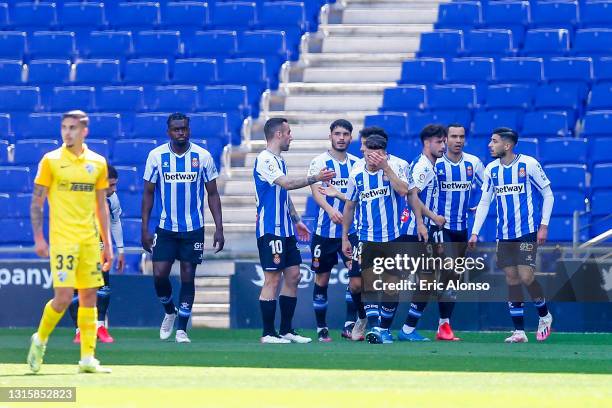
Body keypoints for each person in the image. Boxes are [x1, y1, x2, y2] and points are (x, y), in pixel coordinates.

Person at [27, 110, 113, 374]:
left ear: (84, 131)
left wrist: (107, 244)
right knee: (63, 298)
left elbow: (101, 206)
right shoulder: (51, 161)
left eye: (73, 128)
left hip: (89, 240)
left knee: (89, 297)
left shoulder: (98, 163)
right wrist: (39, 238)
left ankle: (87, 358)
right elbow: (37, 202)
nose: (67, 132)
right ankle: (39, 340)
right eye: (64, 127)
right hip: (63, 240)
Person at [141, 113, 224, 344]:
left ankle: (182, 329)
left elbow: (213, 193)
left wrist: (219, 228)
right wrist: (144, 229)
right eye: (177, 129)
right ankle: (170, 310)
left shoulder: (202, 156)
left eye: (184, 129)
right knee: (159, 275)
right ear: (169, 131)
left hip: (193, 228)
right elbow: (148, 194)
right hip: (166, 228)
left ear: (189, 129)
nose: (181, 133)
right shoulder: (156, 156)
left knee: (188, 277)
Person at [469, 127, 554, 343]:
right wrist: (475, 232)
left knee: (526, 277)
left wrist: (543, 226)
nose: (490, 144)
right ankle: (519, 332)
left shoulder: (529, 164)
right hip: (504, 234)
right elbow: (485, 201)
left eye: (494, 141)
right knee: (512, 279)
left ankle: (544, 315)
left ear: (507, 145)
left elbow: (548, 194)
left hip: (526, 231)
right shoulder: (491, 169)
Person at [254, 117, 335, 344]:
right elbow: (287, 184)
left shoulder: (279, 161)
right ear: (278, 134)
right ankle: (268, 333)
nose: (291, 136)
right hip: (270, 229)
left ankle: (286, 330)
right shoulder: (265, 159)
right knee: (272, 279)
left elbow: (283, 194)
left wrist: (296, 218)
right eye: (288, 132)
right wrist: (316, 178)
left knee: (294, 276)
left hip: (286, 229)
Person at [342, 132, 409, 344]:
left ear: (383, 154)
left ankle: (385, 329)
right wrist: (345, 236)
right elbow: (350, 205)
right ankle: (374, 328)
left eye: (376, 156)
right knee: (366, 284)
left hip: (393, 237)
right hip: (365, 237)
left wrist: (386, 168)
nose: (371, 160)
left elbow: (404, 191)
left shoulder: (394, 168)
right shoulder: (357, 174)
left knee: (391, 286)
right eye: (368, 156)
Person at [430, 123, 484, 341]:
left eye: (461, 136)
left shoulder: (473, 163)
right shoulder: (436, 163)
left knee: (453, 278)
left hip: (462, 228)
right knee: (447, 269)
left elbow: (490, 188)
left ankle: (444, 326)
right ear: (446, 139)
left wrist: (479, 205)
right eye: (453, 136)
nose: (458, 140)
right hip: (440, 228)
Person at [307, 119, 359, 342]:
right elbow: (316, 191)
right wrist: (329, 210)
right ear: (330, 136)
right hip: (324, 233)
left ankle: (349, 325)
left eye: (345, 134)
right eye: (337, 133)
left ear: (350, 137)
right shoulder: (320, 162)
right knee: (322, 280)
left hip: (350, 232)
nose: (341, 138)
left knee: (356, 279)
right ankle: (321, 328)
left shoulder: (357, 164)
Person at [397, 124, 448, 342]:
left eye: (444, 141)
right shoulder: (423, 167)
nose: (443, 146)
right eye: (439, 142)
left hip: (419, 231)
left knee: (426, 280)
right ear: (427, 143)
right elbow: (412, 195)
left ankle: (404, 328)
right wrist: (428, 219)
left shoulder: (427, 164)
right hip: (413, 231)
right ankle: (400, 328)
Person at [70, 164, 125, 344]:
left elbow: (115, 223)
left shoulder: (112, 199)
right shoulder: (81, 196)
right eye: (111, 185)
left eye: (115, 185)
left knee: (103, 287)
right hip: (77, 246)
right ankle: (80, 330)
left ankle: (100, 326)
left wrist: (120, 249)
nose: (113, 189)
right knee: (77, 290)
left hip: (100, 247)